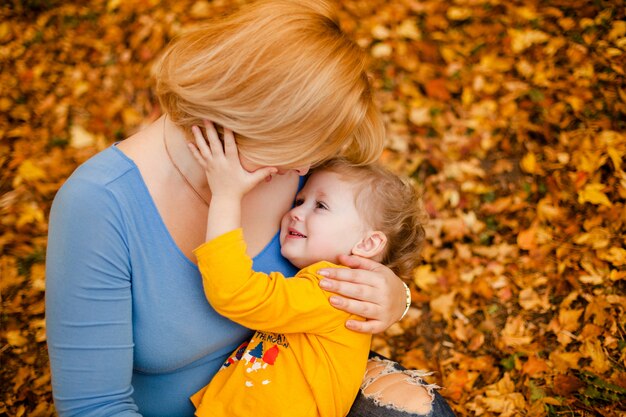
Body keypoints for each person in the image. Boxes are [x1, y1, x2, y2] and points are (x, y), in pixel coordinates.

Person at [45, 0, 456, 416]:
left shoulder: (294, 167)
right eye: (295, 151)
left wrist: (393, 295)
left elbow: (365, 229)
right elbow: (94, 407)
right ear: (251, 115)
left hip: (296, 388)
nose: (302, 169)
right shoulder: (99, 205)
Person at [185, 121, 432, 417]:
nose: (295, 213)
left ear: (367, 244)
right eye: (300, 201)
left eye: (320, 207)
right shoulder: (325, 287)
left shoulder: (330, 289)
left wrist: (225, 197)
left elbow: (235, 292)